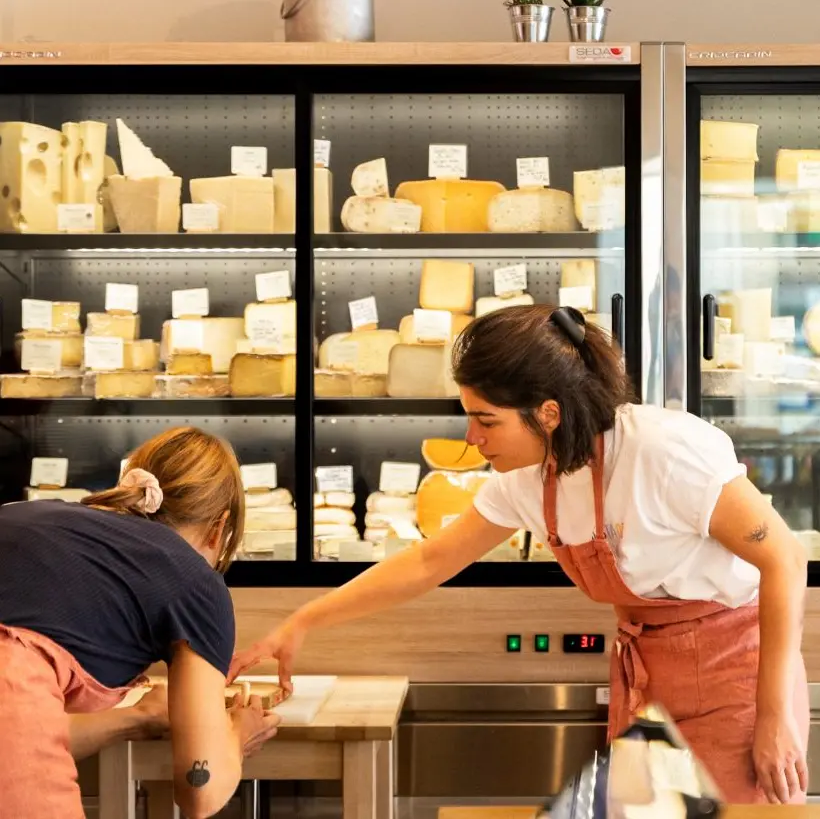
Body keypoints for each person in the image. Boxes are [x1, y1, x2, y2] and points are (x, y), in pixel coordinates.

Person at [231, 305, 810, 806]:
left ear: (549, 413)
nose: (472, 438)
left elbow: (783, 558)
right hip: (646, 671)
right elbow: (428, 562)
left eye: (486, 420)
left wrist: (775, 716)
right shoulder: (529, 479)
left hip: (737, 672)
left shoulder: (664, 451)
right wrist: (303, 621)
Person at [0, 426, 280, 819]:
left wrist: (136, 718)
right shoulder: (196, 580)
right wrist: (237, 735)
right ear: (220, 528)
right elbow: (200, 790)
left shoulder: (26, 514)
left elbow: (29, 732)